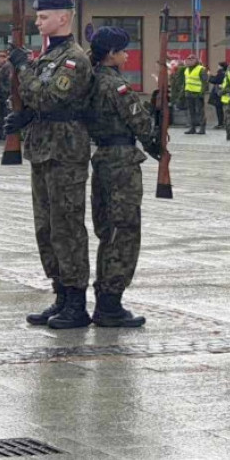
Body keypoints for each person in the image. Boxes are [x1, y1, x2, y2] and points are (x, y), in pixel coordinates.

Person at [4, 0, 94, 329]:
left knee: (67, 226)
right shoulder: (48, 56)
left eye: (43, 17)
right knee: (46, 228)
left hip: (65, 151)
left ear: (63, 18)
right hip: (43, 148)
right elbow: (35, 98)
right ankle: (60, 294)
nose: (38, 22)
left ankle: (76, 302)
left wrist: (23, 68)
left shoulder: (73, 58)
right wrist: (24, 117)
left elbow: (51, 96)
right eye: (37, 17)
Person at [86, 27, 161, 327]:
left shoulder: (90, 82)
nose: (127, 55)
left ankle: (105, 296)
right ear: (111, 54)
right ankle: (111, 303)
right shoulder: (116, 85)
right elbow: (142, 125)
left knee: (108, 232)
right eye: (123, 50)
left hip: (103, 158)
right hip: (121, 162)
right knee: (125, 231)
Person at [182, 54, 208, 135]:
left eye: (192, 59)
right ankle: (192, 128)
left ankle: (202, 128)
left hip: (197, 94)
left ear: (196, 60)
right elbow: (185, 82)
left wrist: (202, 92)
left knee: (200, 112)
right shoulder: (186, 70)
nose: (190, 60)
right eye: (188, 59)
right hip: (189, 93)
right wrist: (183, 92)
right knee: (191, 112)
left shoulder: (201, 69)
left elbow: (204, 82)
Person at [208, 61, 227, 129]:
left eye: (218, 65)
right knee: (222, 109)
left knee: (219, 109)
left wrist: (210, 76)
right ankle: (222, 123)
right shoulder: (225, 72)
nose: (217, 67)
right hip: (222, 93)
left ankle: (220, 123)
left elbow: (216, 80)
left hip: (218, 94)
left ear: (221, 66)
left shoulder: (221, 72)